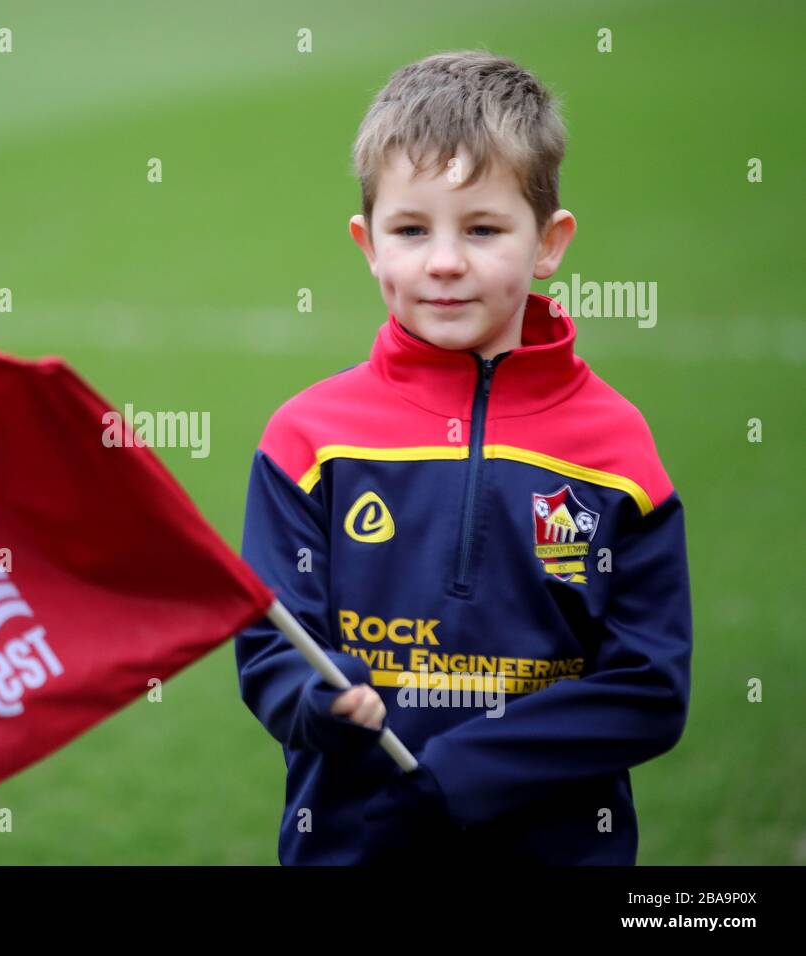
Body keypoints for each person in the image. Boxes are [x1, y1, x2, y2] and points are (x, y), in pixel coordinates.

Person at [234, 50, 692, 865]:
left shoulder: (616, 446)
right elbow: (271, 641)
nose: (444, 262)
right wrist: (317, 699)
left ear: (549, 243)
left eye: (482, 229)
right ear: (368, 243)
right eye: (411, 230)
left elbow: (649, 690)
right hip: (352, 843)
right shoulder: (307, 438)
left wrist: (464, 773)